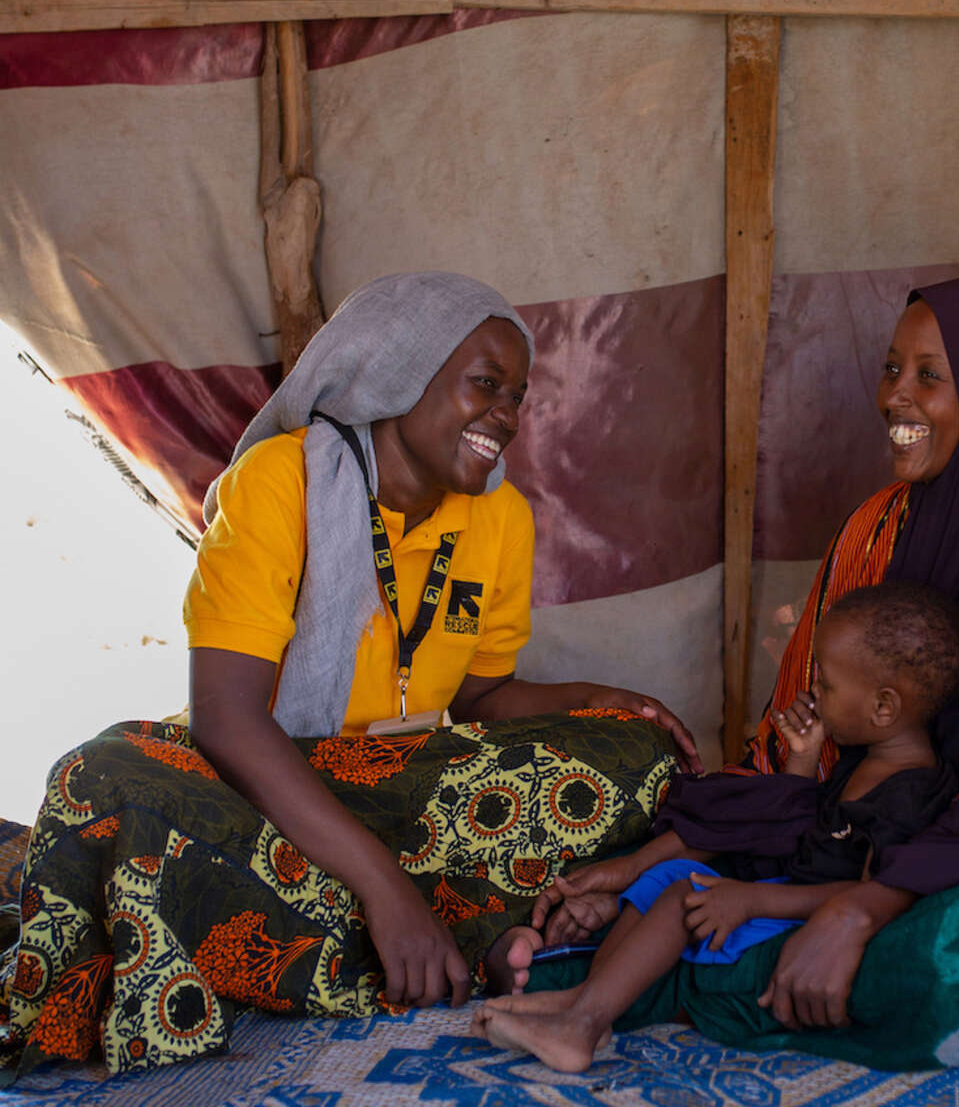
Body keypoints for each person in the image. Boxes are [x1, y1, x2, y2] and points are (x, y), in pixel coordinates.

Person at [0, 272, 702, 1082]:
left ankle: (319, 943)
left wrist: (602, 704)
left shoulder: (500, 517)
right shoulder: (279, 483)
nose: (506, 417)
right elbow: (225, 721)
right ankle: (454, 931)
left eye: (517, 395)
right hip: (270, 791)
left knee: (639, 758)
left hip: (405, 791)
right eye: (485, 385)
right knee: (100, 778)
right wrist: (386, 891)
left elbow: (479, 701)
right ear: (396, 372)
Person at [523, 275, 959, 1071]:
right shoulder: (873, 530)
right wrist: (656, 859)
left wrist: (862, 907)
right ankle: (672, 971)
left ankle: (663, 980)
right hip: (847, 837)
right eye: (893, 369)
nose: (896, 397)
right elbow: (802, 755)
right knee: (682, 851)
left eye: (931, 375)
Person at [472, 582, 959, 1072]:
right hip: (787, 888)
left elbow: (874, 893)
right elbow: (797, 830)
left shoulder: (910, 790)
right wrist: (803, 761)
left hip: (800, 910)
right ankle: (589, 1006)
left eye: (828, 684)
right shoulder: (863, 760)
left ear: (884, 708)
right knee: (667, 876)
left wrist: (752, 899)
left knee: (687, 894)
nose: (813, 688)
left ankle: (579, 1027)